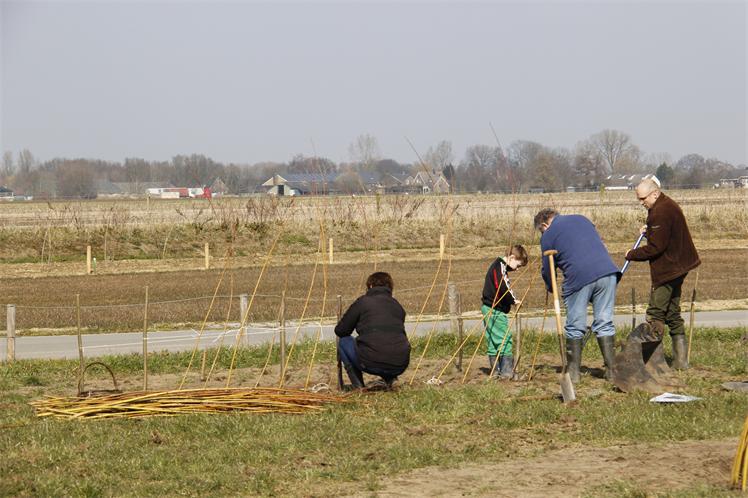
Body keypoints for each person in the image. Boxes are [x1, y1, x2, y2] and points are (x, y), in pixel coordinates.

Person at [534, 208, 620, 382]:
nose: (542, 234)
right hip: (608, 272)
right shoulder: (582, 219)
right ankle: (612, 372)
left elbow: (548, 268)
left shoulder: (548, 235)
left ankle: (573, 374)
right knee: (604, 322)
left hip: (579, 277)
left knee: (575, 325)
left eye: (541, 230)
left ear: (544, 224)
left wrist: (551, 287)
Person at [624, 179, 700, 369]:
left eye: (643, 198)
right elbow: (664, 235)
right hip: (679, 266)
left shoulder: (661, 211)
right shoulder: (665, 205)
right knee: (672, 313)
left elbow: (656, 248)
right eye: (639, 199)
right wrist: (649, 230)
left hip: (669, 269)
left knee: (655, 313)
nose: (641, 202)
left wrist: (631, 254)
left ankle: (650, 363)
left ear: (655, 194)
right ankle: (681, 362)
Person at [334, 272, 411, 389]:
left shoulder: (363, 302)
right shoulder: (397, 306)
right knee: (389, 343)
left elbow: (341, 331)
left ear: (370, 286)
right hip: (400, 364)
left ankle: (358, 385)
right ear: (390, 287)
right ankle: (389, 380)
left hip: (370, 362)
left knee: (344, 341)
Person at [481, 244, 528, 378]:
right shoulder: (500, 267)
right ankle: (507, 372)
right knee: (504, 339)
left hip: (487, 307)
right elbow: (503, 287)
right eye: (518, 265)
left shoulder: (498, 267)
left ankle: (495, 371)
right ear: (511, 257)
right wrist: (514, 300)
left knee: (493, 340)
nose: (517, 269)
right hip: (495, 310)